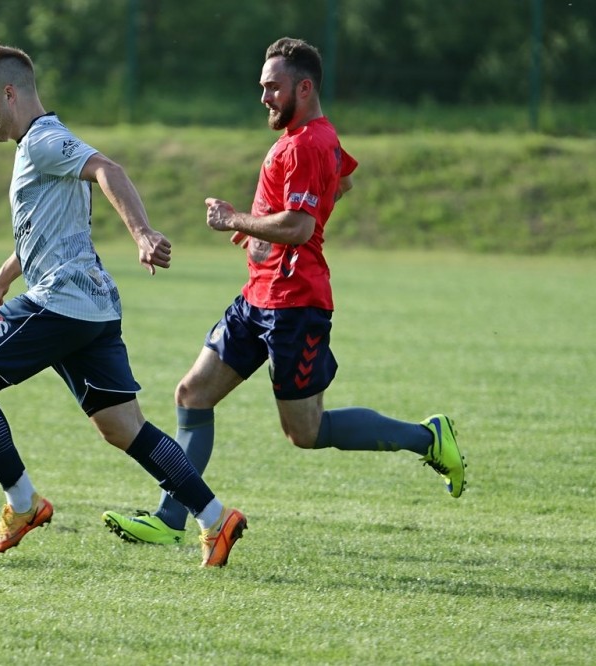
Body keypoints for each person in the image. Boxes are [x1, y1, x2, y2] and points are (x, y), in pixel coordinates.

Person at [102, 37, 466, 546]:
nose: (264, 97)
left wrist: (238, 220)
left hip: (296, 306)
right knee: (192, 394)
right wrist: (262, 231)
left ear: (305, 87)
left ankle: (427, 438)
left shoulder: (307, 144)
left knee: (305, 432)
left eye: (273, 87)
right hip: (258, 297)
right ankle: (170, 517)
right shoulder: (311, 139)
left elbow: (298, 225)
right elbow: (340, 184)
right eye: (263, 87)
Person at [0, 42, 246, 567]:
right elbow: (41, 233)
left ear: (9, 93)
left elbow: (109, 169)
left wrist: (142, 233)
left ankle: (23, 503)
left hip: (60, 301)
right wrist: (1, 281)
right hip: (93, 307)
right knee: (123, 427)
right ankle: (215, 518)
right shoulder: (40, 145)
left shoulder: (43, 140)